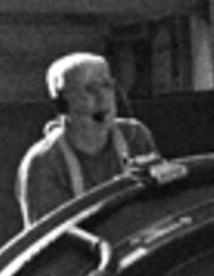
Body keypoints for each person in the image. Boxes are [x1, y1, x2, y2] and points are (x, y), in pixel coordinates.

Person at [15, 50, 159, 226]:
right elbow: (51, 244)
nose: (103, 98)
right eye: (90, 89)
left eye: (107, 85)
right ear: (63, 104)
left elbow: (159, 204)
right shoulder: (44, 162)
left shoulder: (135, 136)